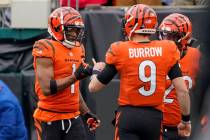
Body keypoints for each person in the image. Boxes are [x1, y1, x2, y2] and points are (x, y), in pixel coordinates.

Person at [88, 4, 191, 140]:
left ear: (131, 24)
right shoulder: (168, 49)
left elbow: (93, 87)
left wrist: (96, 71)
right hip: (154, 117)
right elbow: (182, 91)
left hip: (128, 116)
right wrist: (185, 120)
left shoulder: (120, 50)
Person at [32, 7, 100, 140]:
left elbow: (73, 88)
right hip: (50, 117)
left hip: (73, 117)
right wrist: (75, 76)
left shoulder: (78, 48)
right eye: (71, 30)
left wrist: (86, 113)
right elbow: (46, 88)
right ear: (57, 28)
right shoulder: (45, 46)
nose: (75, 34)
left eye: (77, 30)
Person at [158, 13, 201, 140]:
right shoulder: (154, 54)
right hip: (158, 125)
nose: (166, 40)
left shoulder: (197, 57)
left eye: (172, 36)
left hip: (185, 125)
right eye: (164, 35)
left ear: (184, 38)